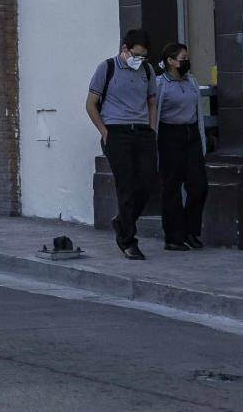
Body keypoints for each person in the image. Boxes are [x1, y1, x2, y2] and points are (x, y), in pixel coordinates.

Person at [86, 28, 159, 260]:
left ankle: (122, 221)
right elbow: (90, 104)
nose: (140, 60)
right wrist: (104, 132)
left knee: (147, 182)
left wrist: (152, 129)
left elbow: (151, 102)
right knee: (126, 185)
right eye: (136, 54)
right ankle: (128, 240)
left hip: (142, 131)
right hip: (116, 132)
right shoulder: (106, 68)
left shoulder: (147, 70)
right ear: (125, 50)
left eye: (144, 56)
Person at [156, 42, 209, 251]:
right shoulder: (161, 84)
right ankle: (173, 236)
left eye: (187, 58)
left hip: (191, 134)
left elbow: (197, 111)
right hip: (170, 135)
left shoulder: (192, 81)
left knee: (199, 185)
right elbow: (155, 111)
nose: (186, 62)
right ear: (170, 61)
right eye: (182, 58)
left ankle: (191, 230)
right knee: (172, 186)